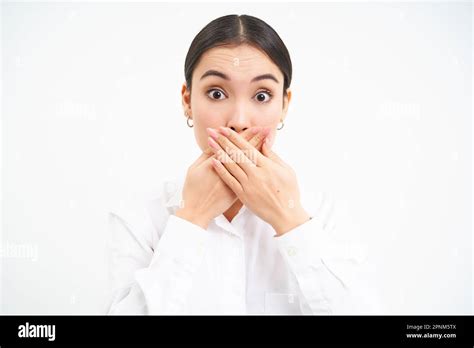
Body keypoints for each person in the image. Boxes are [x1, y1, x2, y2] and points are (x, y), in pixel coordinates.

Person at [106, 14, 382, 314]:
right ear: (187, 100)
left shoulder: (325, 215)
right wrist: (192, 217)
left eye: (262, 96)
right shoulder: (139, 217)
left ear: (284, 106)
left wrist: (288, 219)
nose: (238, 121)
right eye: (216, 93)